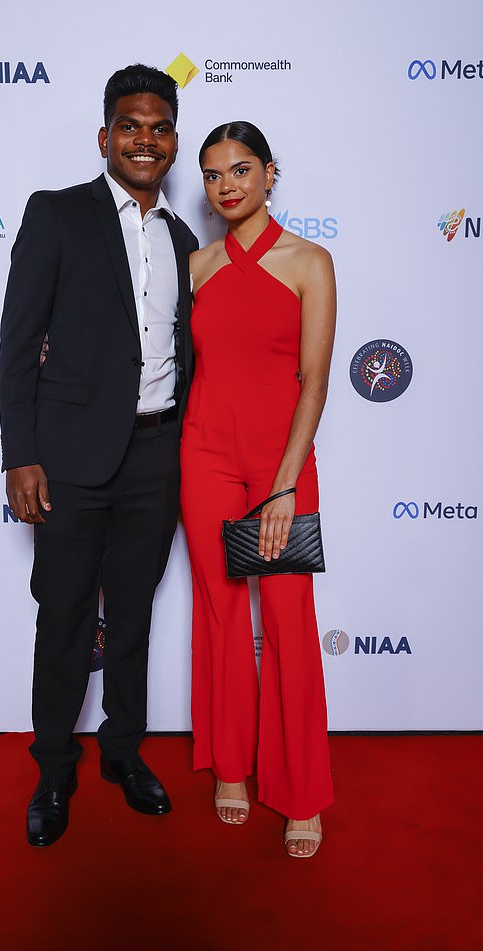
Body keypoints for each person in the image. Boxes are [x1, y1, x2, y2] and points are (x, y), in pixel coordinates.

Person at [0, 64, 198, 847]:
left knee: (137, 615)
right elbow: (17, 346)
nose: (144, 139)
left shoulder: (182, 237)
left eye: (159, 127)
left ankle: (122, 751)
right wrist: (21, 453)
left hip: (157, 455)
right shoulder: (57, 215)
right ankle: (53, 767)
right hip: (71, 459)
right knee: (67, 617)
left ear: (172, 141)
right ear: (105, 135)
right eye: (130, 125)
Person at [180, 122, 336, 857]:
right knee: (217, 614)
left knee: (287, 620)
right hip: (204, 455)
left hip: (282, 466)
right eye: (213, 175)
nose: (228, 185)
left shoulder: (310, 261)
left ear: (271, 173)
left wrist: (283, 489)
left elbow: (314, 384)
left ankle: (302, 791)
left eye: (242, 169)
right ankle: (231, 765)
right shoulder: (198, 265)